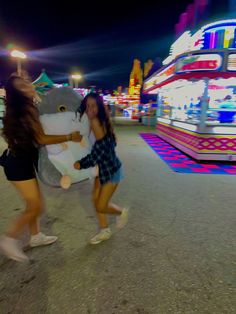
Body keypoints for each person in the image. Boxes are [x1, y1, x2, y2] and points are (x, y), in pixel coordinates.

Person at [0, 74, 82, 262]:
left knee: (35, 204)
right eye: (22, 85)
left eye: (27, 81)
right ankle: (9, 239)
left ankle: (36, 236)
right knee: (35, 206)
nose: (28, 84)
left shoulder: (25, 106)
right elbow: (41, 139)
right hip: (18, 164)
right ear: (17, 92)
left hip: (21, 160)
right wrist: (69, 137)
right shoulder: (26, 109)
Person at [74, 93, 128, 244]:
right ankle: (105, 230)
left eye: (94, 106)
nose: (90, 109)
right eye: (88, 105)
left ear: (99, 107)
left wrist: (81, 163)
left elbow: (101, 151)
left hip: (110, 171)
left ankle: (121, 212)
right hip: (102, 170)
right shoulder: (92, 120)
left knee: (101, 205)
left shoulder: (96, 122)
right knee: (95, 199)